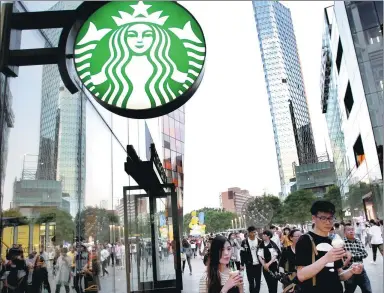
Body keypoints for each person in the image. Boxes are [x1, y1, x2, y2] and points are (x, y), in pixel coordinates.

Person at [295, 200, 363, 293]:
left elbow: (339, 274)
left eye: (331, 218)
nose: (328, 222)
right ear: (313, 218)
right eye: (323, 218)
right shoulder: (304, 240)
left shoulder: (333, 241)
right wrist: (326, 258)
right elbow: (301, 275)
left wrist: (352, 271)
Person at [343, 223, 372, 293]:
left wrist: (351, 256)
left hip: (361, 270)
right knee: (349, 290)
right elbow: (343, 256)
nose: (351, 231)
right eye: (349, 230)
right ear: (344, 232)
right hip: (348, 272)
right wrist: (356, 255)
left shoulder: (358, 241)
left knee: (367, 290)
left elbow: (365, 254)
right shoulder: (342, 243)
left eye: (352, 229)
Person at [240, 226, 262, 293]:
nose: (254, 234)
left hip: (258, 264)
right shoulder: (244, 242)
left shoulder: (259, 241)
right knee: (251, 282)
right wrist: (242, 264)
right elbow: (242, 254)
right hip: (249, 264)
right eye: (252, 232)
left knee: (258, 282)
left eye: (255, 232)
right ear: (249, 233)